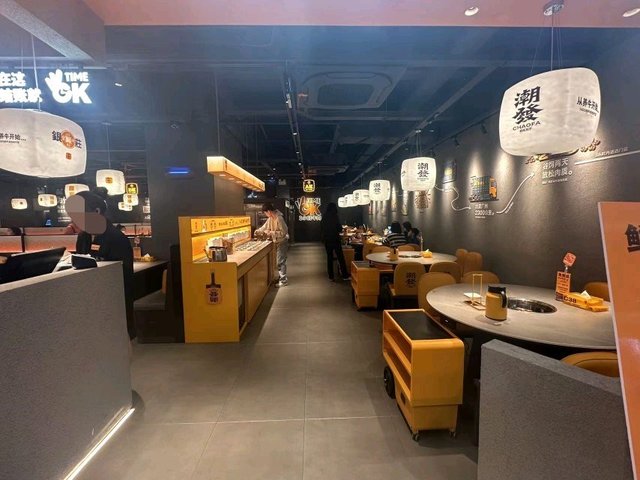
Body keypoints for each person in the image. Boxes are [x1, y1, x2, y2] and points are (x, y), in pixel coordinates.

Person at [66, 189, 136, 339]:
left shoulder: (116, 237)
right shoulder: (83, 237)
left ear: (96, 212)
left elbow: (122, 276)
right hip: (91, 301)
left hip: (113, 302)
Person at [255, 203, 289, 287]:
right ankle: (281, 277)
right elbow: (264, 227)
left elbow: (284, 232)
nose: (265, 215)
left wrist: (271, 232)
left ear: (269, 211)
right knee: (279, 261)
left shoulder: (279, 218)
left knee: (280, 261)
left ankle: (283, 280)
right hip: (276, 242)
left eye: (265, 213)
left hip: (282, 242)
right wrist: (257, 231)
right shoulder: (270, 219)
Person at [321, 202, 350, 282]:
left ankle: (331, 276)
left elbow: (322, 227)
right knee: (340, 257)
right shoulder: (335, 216)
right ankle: (345, 275)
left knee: (329, 258)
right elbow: (339, 228)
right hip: (335, 239)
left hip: (327, 240)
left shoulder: (324, 216)